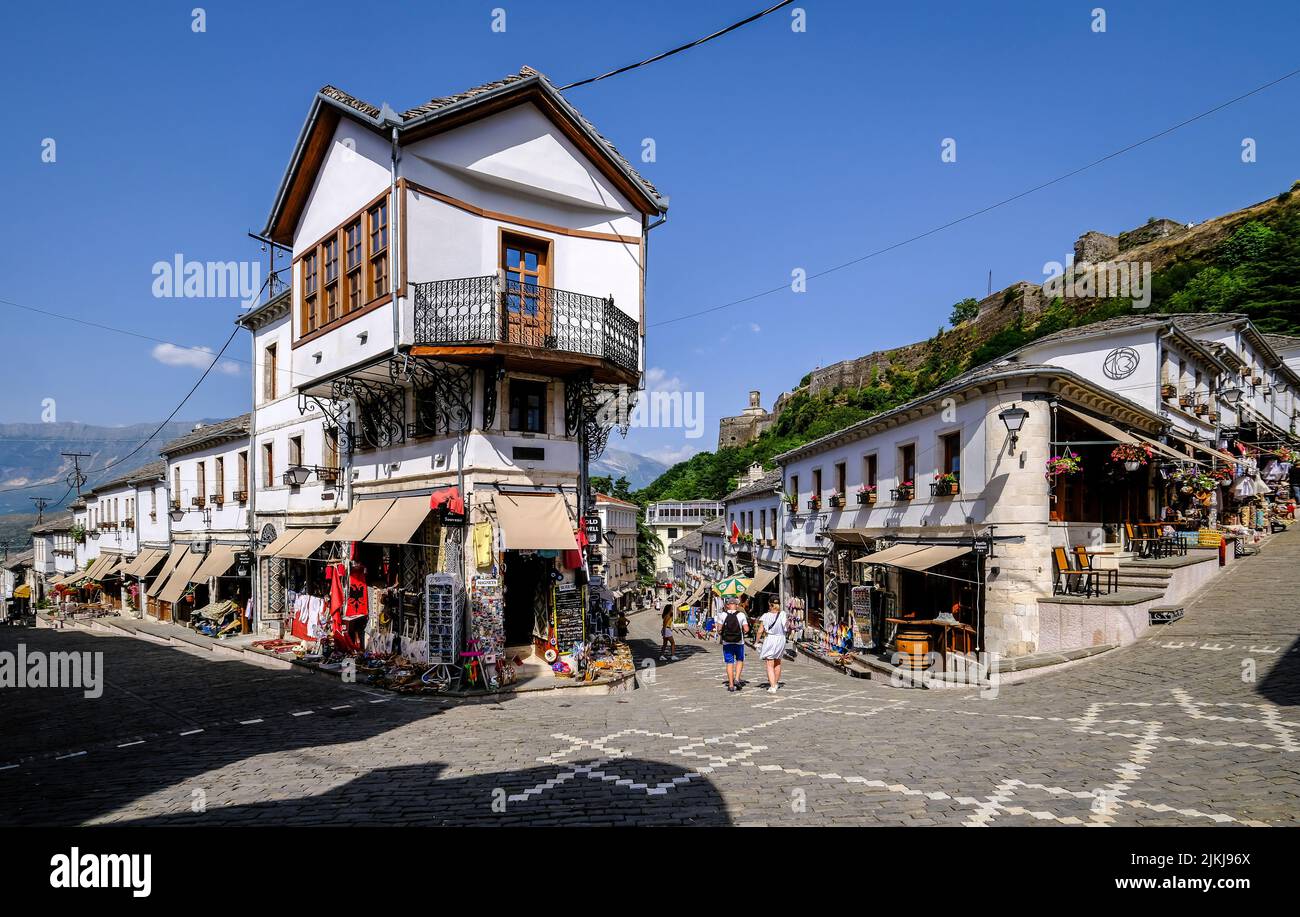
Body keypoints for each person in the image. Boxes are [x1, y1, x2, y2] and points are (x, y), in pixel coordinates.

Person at [755, 595, 787, 693]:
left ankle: (772, 686)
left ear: (770, 604)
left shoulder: (766, 616)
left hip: (771, 639)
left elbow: (760, 630)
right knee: (777, 661)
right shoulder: (783, 614)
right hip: (781, 639)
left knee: (770, 663)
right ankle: (775, 683)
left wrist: (757, 641)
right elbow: (786, 626)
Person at [717, 598, 749, 692]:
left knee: (729, 663)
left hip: (727, 642)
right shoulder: (741, 615)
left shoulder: (722, 615)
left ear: (727, 605)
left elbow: (719, 629)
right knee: (740, 660)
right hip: (739, 642)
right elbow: (746, 629)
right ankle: (737, 679)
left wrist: (722, 632)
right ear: (737, 605)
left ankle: (731, 685)